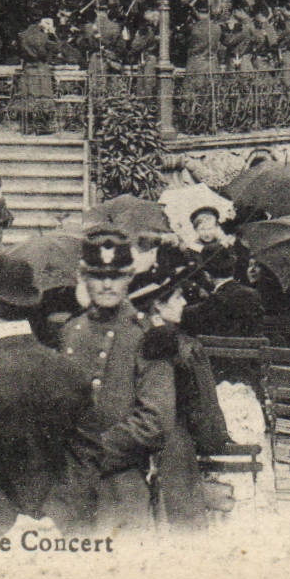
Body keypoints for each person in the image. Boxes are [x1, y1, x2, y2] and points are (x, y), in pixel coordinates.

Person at [0, 257, 94, 533]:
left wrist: (8, 522)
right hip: (58, 529)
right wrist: (55, 515)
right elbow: (87, 454)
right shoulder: (71, 371)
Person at [58, 229, 176, 534]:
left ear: (129, 278)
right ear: (84, 278)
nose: (107, 284)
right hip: (70, 486)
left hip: (121, 486)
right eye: (97, 276)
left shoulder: (146, 336)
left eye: (116, 276)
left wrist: (92, 454)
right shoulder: (71, 330)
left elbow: (155, 420)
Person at [127, 261, 229, 531]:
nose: (184, 302)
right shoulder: (185, 347)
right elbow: (204, 409)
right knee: (183, 527)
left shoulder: (127, 340)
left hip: (131, 449)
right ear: (158, 305)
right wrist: (213, 440)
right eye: (177, 296)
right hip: (175, 448)